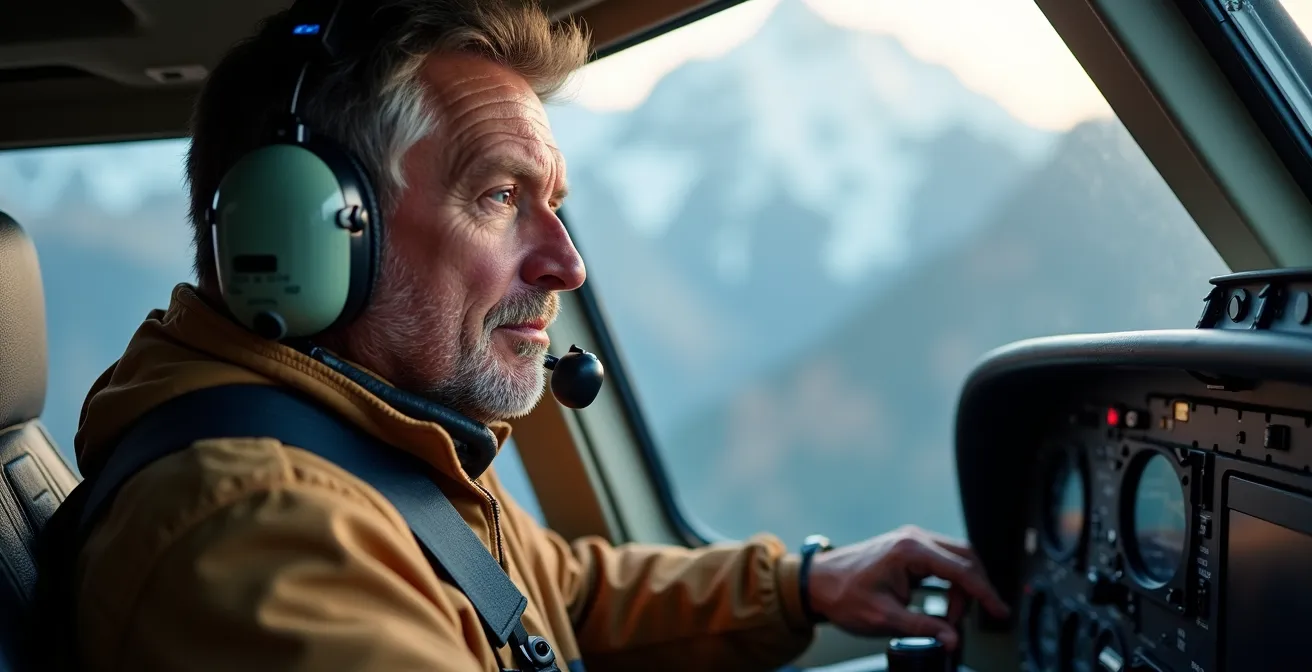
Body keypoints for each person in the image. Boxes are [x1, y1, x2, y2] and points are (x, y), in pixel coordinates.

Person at [70, 1, 1010, 669]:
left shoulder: (368, 453)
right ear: (307, 230)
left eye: (552, 204)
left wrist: (803, 585)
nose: (567, 263)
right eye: (501, 196)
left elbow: (556, 592)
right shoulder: (260, 533)